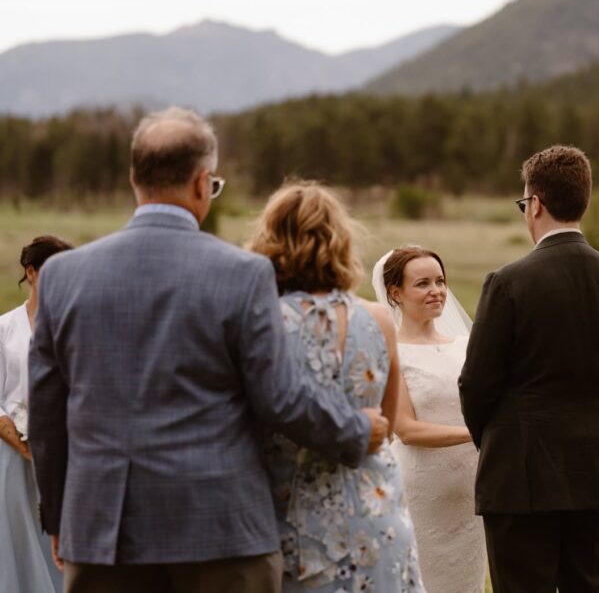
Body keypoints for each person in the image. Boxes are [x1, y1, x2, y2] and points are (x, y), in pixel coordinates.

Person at [28, 107, 386, 593]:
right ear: (203, 182)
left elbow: (47, 415)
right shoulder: (242, 274)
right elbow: (279, 397)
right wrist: (354, 427)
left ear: (135, 178)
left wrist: (58, 516)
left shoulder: (61, 276)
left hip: (103, 533)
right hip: (220, 532)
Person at [459, 145, 599, 593]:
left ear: (536, 204)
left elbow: (476, 384)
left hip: (523, 475)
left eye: (525, 204)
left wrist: (499, 439)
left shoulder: (507, 282)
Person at [250, 183, 424, 593]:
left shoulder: (264, 321)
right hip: (376, 518)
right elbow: (384, 421)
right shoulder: (379, 319)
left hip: (298, 527)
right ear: (342, 241)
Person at [371, 245, 486, 593]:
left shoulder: (466, 345)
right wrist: (476, 432)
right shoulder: (391, 350)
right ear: (396, 293)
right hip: (421, 492)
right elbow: (406, 429)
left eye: (440, 281)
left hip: (470, 493)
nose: (436, 290)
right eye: (422, 283)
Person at [1, 235, 72, 593]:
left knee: (56, 533)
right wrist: (16, 437)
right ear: (31, 272)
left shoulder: (73, 327)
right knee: (16, 534)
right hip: (11, 453)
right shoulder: (4, 328)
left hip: (61, 450)